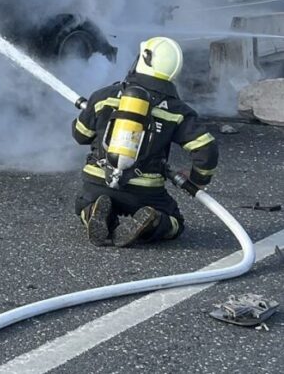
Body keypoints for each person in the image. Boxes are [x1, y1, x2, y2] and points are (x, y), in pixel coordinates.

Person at [72, 37, 218, 247]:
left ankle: (93, 211)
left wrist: (95, 115)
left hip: (98, 182)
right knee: (175, 222)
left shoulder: (105, 96)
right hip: (144, 190)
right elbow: (206, 150)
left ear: (144, 59)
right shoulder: (177, 110)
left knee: (84, 203)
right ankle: (152, 220)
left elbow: (80, 135)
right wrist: (198, 179)